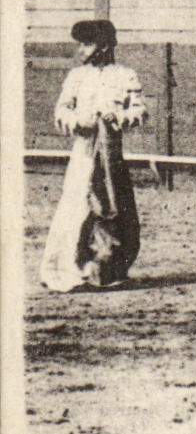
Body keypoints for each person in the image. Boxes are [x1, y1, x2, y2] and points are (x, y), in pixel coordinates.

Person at [39, 19, 147, 292]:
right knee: (76, 208)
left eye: (87, 44)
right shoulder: (76, 77)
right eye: (81, 44)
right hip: (83, 153)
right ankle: (67, 272)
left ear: (105, 46)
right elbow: (61, 113)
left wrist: (120, 117)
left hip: (111, 154)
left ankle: (106, 271)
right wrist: (78, 121)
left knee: (115, 209)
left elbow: (139, 111)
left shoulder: (125, 75)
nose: (81, 50)